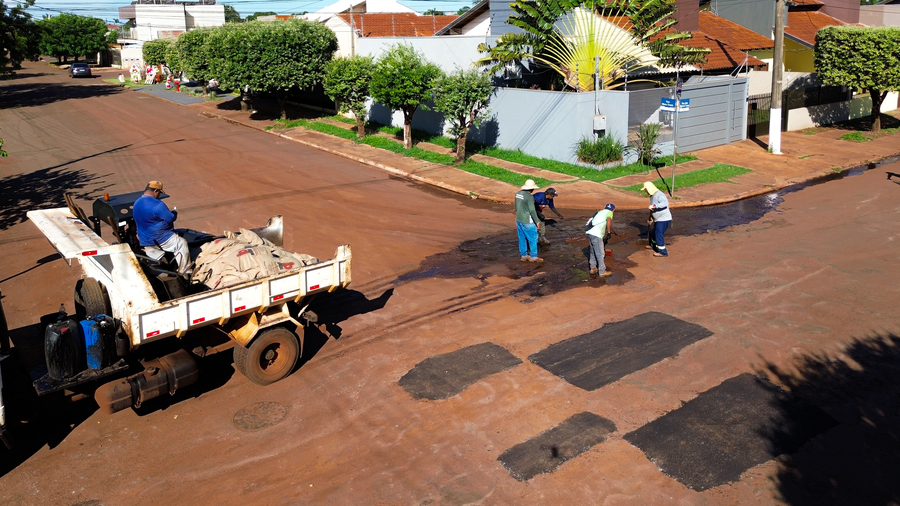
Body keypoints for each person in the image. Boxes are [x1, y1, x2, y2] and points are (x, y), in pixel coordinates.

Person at [133, 181, 191, 276]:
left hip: (145, 240)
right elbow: (170, 218)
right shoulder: (158, 204)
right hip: (161, 239)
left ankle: (162, 261)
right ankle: (185, 273)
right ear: (156, 191)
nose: (159, 195)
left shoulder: (137, 203)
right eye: (159, 192)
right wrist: (174, 213)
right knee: (181, 243)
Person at [515, 179, 543, 263]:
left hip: (519, 219)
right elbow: (532, 210)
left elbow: (516, 207)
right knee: (533, 239)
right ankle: (533, 256)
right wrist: (537, 221)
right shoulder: (530, 197)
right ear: (531, 189)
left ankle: (523, 255)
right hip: (527, 220)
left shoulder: (518, 194)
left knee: (522, 238)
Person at [642, 181, 672, 257]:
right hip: (658, 219)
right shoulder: (652, 196)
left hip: (664, 219)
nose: (645, 191)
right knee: (653, 233)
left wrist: (654, 206)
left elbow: (664, 204)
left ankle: (663, 252)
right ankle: (654, 246)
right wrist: (651, 217)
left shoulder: (659, 195)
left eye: (645, 190)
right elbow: (652, 209)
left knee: (658, 234)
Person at [585, 203, 615, 276]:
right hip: (596, 234)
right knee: (600, 253)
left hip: (589, 232)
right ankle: (602, 271)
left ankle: (593, 268)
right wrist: (609, 232)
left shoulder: (600, 212)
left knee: (593, 251)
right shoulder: (609, 212)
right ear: (613, 210)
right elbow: (608, 220)